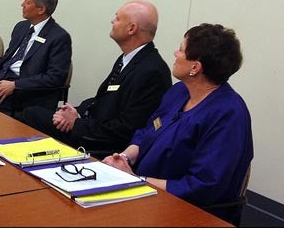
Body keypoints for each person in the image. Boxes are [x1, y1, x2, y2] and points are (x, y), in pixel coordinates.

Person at [103, 23, 253, 225]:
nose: (175, 53)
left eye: (181, 49)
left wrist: (136, 180)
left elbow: (203, 186)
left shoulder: (228, 114)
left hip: (189, 212)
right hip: (144, 193)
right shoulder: (178, 92)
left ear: (195, 67)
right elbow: (146, 132)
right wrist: (123, 158)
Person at [21, 0, 172, 153]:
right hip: (93, 125)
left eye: (118, 18)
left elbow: (127, 128)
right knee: (33, 112)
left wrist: (76, 123)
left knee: (31, 115)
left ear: (131, 28)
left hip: (103, 142)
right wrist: (75, 111)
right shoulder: (128, 59)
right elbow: (103, 98)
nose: (112, 21)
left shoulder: (152, 72)